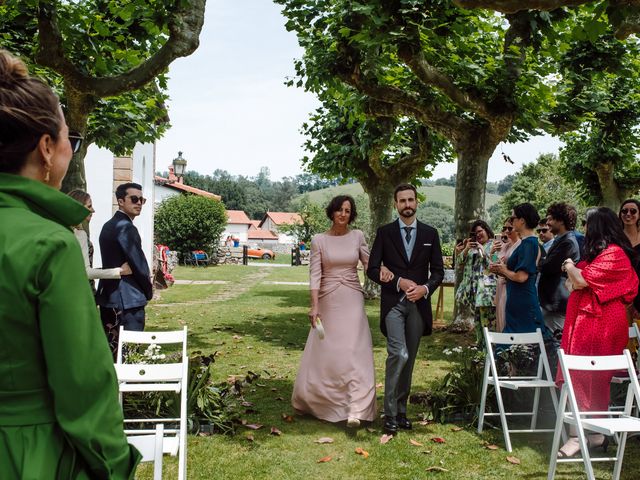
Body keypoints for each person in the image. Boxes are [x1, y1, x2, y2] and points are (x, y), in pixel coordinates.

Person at [0, 49, 139, 478]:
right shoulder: (48, 242)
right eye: (69, 140)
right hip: (26, 451)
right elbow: (83, 387)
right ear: (46, 148)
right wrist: (117, 465)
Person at [556, 207, 638, 457]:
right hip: (584, 321)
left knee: (586, 376)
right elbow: (574, 284)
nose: (584, 229)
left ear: (598, 226)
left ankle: (581, 435)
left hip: (599, 324)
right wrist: (575, 273)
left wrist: (569, 264)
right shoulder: (598, 256)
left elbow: (579, 281)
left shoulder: (615, 255)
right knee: (579, 375)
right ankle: (592, 434)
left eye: (587, 224)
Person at [292, 195, 377, 427]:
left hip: (352, 298)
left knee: (354, 351)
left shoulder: (357, 236)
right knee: (329, 352)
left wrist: (390, 275)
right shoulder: (319, 240)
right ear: (331, 212)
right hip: (328, 300)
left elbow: (371, 265)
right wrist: (314, 305)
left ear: (352, 215)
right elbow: (315, 274)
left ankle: (356, 408)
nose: (343, 214)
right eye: (339, 209)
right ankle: (321, 402)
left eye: (348, 211)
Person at [367, 184, 444, 435]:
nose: (407, 204)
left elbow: (439, 272)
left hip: (418, 305)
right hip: (393, 304)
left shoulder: (430, 234)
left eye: (411, 200)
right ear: (395, 204)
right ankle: (389, 413)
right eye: (402, 201)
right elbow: (372, 268)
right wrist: (396, 280)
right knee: (398, 354)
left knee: (409, 360)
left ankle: (401, 411)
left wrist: (425, 288)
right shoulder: (385, 232)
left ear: (416, 203)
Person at [96, 182, 153, 341]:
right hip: (128, 300)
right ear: (120, 201)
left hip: (109, 297)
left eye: (142, 200)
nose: (139, 203)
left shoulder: (108, 225)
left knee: (112, 350)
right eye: (134, 199)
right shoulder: (125, 227)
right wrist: (148, 291)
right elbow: (138, 264)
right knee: (129, 353)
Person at [490, 203, 548, 336]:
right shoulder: (526, 243)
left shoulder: (529, 244)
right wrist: (501, 269)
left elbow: (521, 277)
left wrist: (503, 270)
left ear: (522, 220)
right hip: (516, 298)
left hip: (523, 301)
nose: (511, 221)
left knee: (523, 342)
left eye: (513, 218)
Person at [67, 189, 131, 289]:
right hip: (77, 290)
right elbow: (86, 272)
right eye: (89, 206)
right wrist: (118, 271)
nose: (93, 210)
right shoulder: (79, 234)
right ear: (78, 207)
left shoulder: (62, 229)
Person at [537, 202, 581, 335]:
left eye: (550, 219)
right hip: (550, 303)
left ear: (561, 221)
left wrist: (537, 260)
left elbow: (548, 266)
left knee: (556, 345)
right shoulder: (561, 240)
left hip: (557, 304)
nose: (548, 222)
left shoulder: (568, 242)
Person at [454, 220, 497, 344]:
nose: (478, 235)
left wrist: (483, 251)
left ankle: (490, 352)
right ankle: (481, 350)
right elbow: (459, 264)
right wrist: (465, 249)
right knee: (478, 324)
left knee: (488, 325)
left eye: (480, 231)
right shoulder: (471, 247)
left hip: (487, 295)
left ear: (487, 230)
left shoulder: (494, 245)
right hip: (474, 294)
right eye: (475, 233)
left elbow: (493, 265)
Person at [491, 217, 521, 332]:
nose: (506, 231)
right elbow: (493, 263)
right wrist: (493, 252)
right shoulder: (504, 245)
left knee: (506, 317)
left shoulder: (520, 245)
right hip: (500, 284)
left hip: (510, 285)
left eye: (510, 228)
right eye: (504, 228)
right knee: (500, 316)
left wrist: (503, 268)